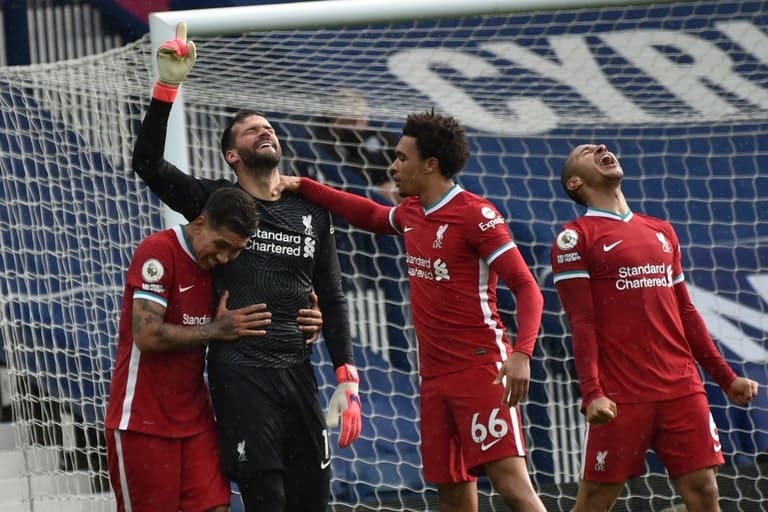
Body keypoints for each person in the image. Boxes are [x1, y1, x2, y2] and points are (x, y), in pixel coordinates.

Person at [130, 23, 362, 512]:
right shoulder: (215, 202)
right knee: (268, 499)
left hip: (300, 372)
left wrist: (346, 374)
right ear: (233, 155)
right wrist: (167, 87)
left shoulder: (311, 211)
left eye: (269, 126)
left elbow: (333, 293)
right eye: (252, 129)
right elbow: (148, 162)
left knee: (313, 502)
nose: (266, 131)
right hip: (241, 375)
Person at [278, 110, 546, 512]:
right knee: (453, 493)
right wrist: (303, 185)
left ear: (431, 165)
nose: (394, 165)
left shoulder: (476, 214)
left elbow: (528, 288)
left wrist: (522, 353)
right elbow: (369, 214)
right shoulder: (411, 212)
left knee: (512, 485)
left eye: (402, 158)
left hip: (480, 368)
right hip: (434, 379)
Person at [550, 143, 760, 511]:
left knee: (705, 490)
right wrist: (592, 392)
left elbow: (687, 312)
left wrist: (727, 379)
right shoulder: (575, 237)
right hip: (621, 393)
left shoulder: (661, 230)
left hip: (680, 386)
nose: (600, 147)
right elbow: (581, 322)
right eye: (586, 151)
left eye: (600, 146)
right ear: (575, 183)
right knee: (596, 500)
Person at [105, 187, 265, 511]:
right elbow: (147, 335)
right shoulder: (159, 251)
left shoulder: (220, 269)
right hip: (142, 420)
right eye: (221, 245)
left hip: (196, 419)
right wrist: (214, 330)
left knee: (216, 507)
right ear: (200, 223)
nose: (224, 258)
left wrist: (310, 319)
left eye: (234, 252)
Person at [306, 87, 399, 204]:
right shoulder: (321, 141)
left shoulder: (376, 132)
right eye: (356, 120)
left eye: (364, 115)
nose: (364, 122)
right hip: (358, 194)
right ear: (336, 121)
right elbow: (343, 176)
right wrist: (377, 191)